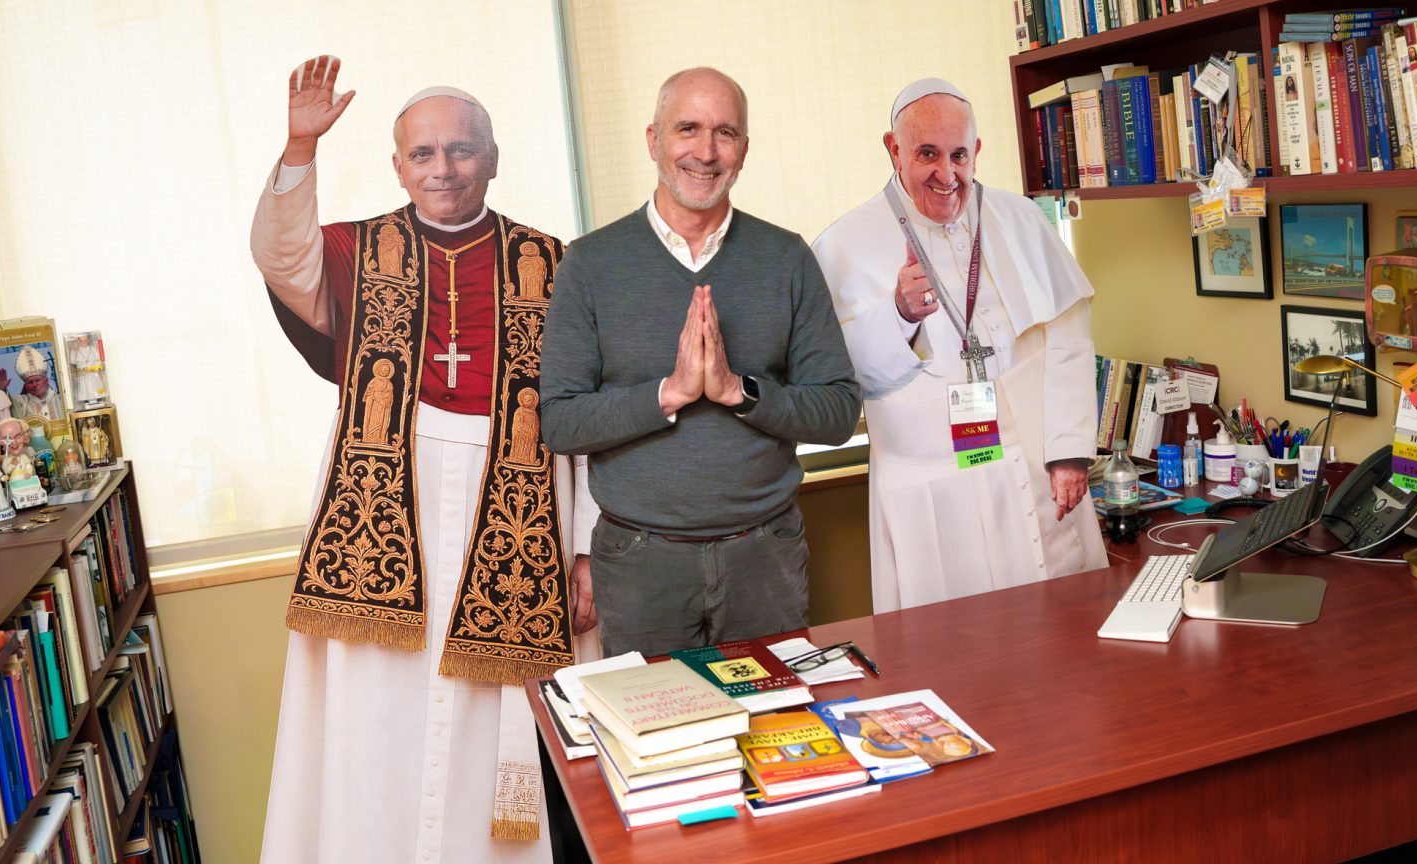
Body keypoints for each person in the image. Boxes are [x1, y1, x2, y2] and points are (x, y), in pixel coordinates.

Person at [250, 55, 598, 864]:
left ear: (493, 158)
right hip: (383, 497)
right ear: (398, 165)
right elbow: (280, 254)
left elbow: (582, 418)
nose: (444, 168)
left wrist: (586, 543)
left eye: (462, 150)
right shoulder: (355, 248)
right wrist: (299, 147)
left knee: (488, 706)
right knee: (377, 706)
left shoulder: (556, 262)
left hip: (514, 496)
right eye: (424, 154)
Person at [540, 67, 861, 657]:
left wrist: (741, 392)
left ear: (744, 150)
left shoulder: (786, 258)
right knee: (659, 745)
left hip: (765, 554)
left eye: (726, 133)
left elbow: (838, 411)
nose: (706, 152)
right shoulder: (589, 264)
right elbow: (559, 422)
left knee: (775, 732)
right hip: (640, 565)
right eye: (687, 128)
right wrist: (669, 392)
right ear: (653, 139)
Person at [811, 78, 1106, 613]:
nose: (947, 175)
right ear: (893, 149)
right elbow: (838, 381)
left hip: (1030, 465)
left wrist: (1068, 453)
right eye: (927, 154)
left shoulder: (1020, 219)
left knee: (1058, 634)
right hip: (929, 485)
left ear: (977, 152)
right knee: (956, 651)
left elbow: (1069, 341)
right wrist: (898, 314)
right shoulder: (840, 246)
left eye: (959, 155)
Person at [8, 345, 65, 422]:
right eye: (30, 382)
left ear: (46, 381)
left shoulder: (59, 397)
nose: (34, 385)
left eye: (37, 380)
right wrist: (2, 389)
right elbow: (7, 403)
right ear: (25, 386)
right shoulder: (21, 402)